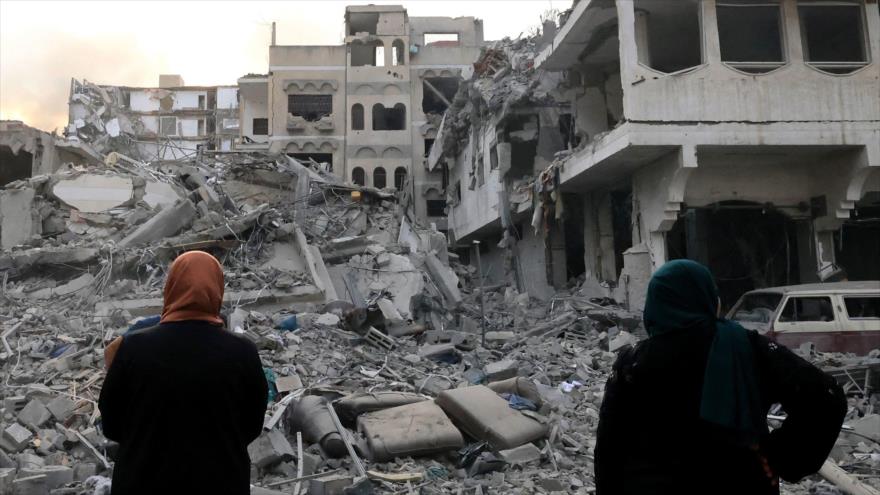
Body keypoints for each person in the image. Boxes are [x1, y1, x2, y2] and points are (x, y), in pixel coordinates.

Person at [594, 260, 846, 495]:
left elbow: (609, 451)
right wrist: (781, 457)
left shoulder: (633, 363)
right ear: (707, 298)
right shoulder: (746, 348)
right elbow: (825, 397)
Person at [99, 251, 268, 495]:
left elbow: (111, 424)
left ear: (171, 287)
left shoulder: (132, 348)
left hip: (142, 482)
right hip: (221, 482)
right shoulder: (243, 352)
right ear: (217, 288)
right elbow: (252, 424)